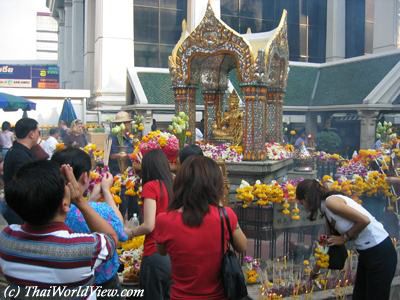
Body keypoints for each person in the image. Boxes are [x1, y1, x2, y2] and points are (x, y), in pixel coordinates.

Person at [0, 160, 117, 298]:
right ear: (65, 204)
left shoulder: (6, 239)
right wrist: (79, 200)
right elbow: (112, 237)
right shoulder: (85, 248)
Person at [154, 156, 247, 299]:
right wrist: (220, 204)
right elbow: (242, 246)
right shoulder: (226, 216)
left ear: (180, 184)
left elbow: (161, 251)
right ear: (215, 185)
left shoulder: (164, 220)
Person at [296, 179, 397, 300]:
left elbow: (364, 220)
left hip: (380, 252)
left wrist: (344, 238)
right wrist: (315, 272)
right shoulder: (325, 210)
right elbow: (328, 245)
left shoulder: (331, 202)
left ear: (308, 197)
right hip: (367, 254)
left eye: (301, 201)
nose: (301, 205)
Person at [51, 148, 127, 298]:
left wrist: (90, 198)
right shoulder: (100, 211)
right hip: (103, 285)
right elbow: (120, 231)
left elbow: (79, 209)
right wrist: (106, 191)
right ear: (85, 177)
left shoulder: (51, 209)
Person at [126, 149, 173, 300]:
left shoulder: (151, 186)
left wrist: (131, 232)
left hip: (155, 251)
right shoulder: (173, 183)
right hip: (174, 252)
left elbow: (149, 225)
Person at [2, 118, 40, 224]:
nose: (38, 135)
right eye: (38, 132)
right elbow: (24, 185)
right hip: (20, 211)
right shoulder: (20, 156)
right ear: (31, 134)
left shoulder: (17, 151)